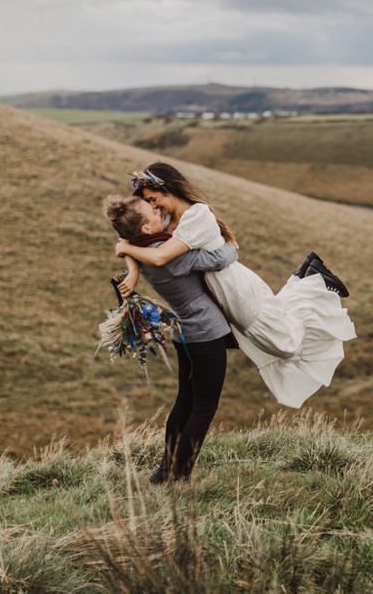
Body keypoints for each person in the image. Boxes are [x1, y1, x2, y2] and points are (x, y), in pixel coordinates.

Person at [114, 162, 356, 409]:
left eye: (153, 199)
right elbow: (131, 235)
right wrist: (132, 269)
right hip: (223, 290)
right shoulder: (166, 220)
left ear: (169, 189)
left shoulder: (196, 216)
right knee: (281, 331)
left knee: (285, 346)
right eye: (149, 203)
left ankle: (312, 282)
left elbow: (158, 256)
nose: (153, 207)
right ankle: (304, 275)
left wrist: (127, 251)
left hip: (234, 288)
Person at [105, 194, 238, 483]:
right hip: (206, 332)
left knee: (185, 401)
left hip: (184, 333)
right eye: (151, 212)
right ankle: (180, 474)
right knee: (203, 408)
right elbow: (220, 259)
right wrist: (230, 243)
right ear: (147, 230)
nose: (156, 209)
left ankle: (166, 469)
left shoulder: (146, 249)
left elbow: (127, 247)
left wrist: (128, 252)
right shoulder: (168, 255)